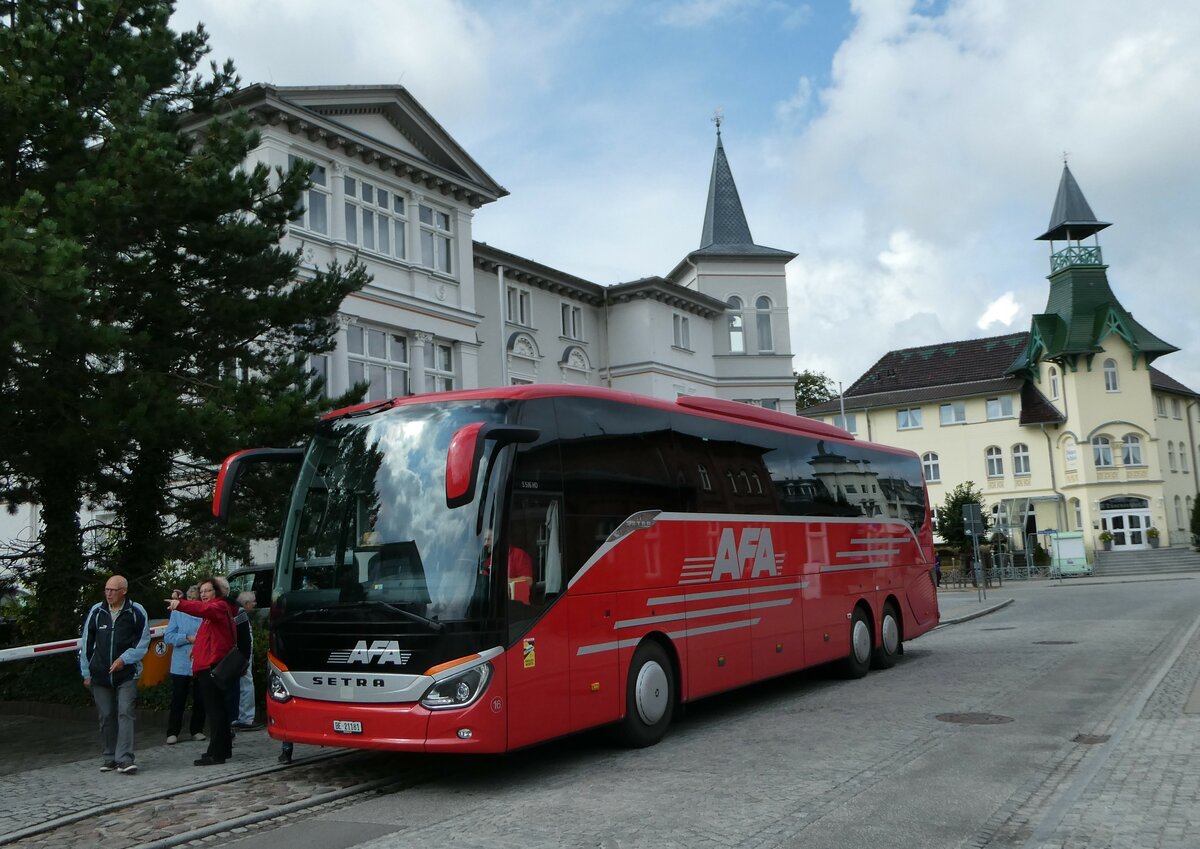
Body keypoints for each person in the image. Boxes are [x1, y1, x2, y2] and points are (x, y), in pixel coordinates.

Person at [79, 574, 150, 774]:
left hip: (127, 673)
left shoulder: (136, 611)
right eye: (107, 589)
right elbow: (86, 644)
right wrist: (86, 672)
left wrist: (124, 659)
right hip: (100, 674)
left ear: (124, 591)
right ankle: (109, 756)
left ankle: (125, 759)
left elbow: (142, 642)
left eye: (113, 590)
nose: (108, 593)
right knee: (106, 715)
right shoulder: (97, 611)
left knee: (125, 712)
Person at [167, 578, 235, 766]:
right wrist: (195, 653)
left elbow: (202, 610)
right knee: (217, 709)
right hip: (207, 664)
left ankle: (217, 752)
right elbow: (205, 638)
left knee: (216, 711)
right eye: (202, 591)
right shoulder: (214, 610)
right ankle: (220, 749)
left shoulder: (218, 607)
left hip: (212, 666)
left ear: (217, 592)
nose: (203, 594)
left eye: (207, 591)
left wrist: (179, 604)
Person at [163, 586, 206, 744]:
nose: (193, 601)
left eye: (196, 599)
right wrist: (187, 638)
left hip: (201, 661)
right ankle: (173, 732)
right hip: (181, 663)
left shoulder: (204, 613)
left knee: (200, 698)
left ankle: (197, 729)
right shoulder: (178, 613)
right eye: (191, 598)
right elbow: (168, 636)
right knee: (178, 698)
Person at [232, 591, 257, 729]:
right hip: (242, 653)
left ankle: (244, 716)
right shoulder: (241, 614)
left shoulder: (240, 614)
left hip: (241, 653)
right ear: (246, 604)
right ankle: (246, 717)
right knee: (246, 682)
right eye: (253, 601)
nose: (255, 604)